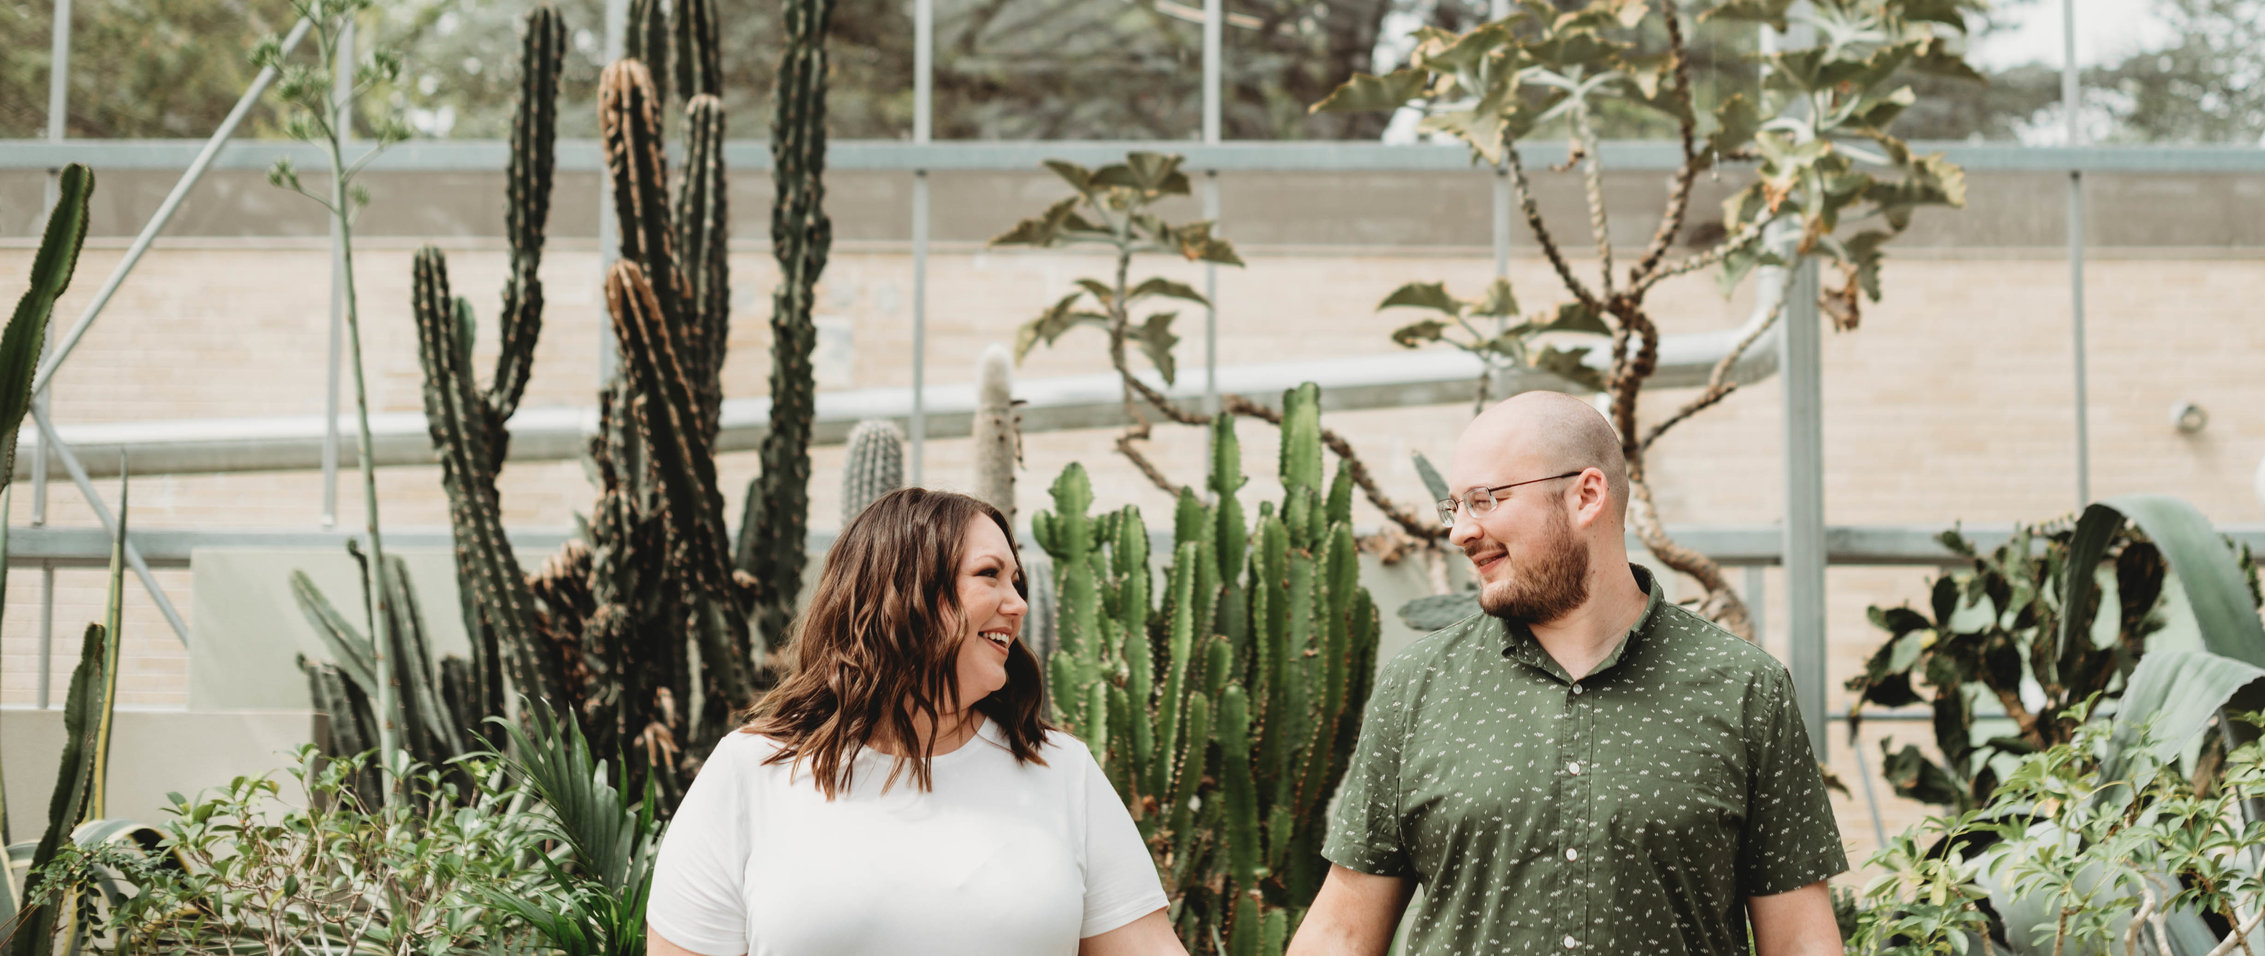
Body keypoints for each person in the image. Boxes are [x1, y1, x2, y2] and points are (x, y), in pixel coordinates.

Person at [1289, 391, 1849, 956]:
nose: (1459, 532)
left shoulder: (1747, 689)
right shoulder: (1417, 686)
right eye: (1454, 507)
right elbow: (1342, 932)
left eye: (1483, 500)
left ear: (1586, 495)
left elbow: (1801, 942)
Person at [647, 487, 1186, 956]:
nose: (1018, 604)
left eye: (1017, 581)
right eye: (989, 575)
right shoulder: (751, 772)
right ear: (903, 592)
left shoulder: (1063, 771)